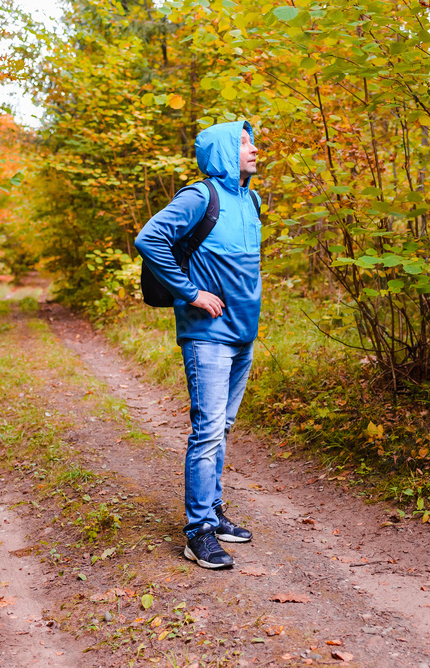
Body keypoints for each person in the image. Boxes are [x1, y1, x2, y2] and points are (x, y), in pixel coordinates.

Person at [134, 120, 261, 569]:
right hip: (207, 337)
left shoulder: (251, 200)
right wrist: (191, 292)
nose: (253, 148)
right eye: (243, 142)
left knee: (221, 428)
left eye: (252, 140)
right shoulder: (198, 197)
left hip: (243, 335)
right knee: (207, 431)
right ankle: (198, 532)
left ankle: (213, 511)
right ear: (223, 150)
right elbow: (149, 239)